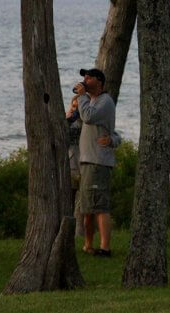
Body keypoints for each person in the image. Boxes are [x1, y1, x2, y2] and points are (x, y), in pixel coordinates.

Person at [73, 68, 121, 257]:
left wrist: (82, 97)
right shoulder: (91, 101)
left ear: (99, 81)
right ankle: (88, 245)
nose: (84, 79)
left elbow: (89, 117)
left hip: (98, 162)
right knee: (87, 208)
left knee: (99, 206)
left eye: (88, 77)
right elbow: (110, 131)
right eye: (84, 77)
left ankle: (105, 248)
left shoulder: (105, 102)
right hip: (87, 161)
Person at [66, 95, 83, 235]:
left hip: (83, 162)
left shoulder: (88, 121)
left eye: (78, 107)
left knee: (85, 199)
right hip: (71, 161)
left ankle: (82, 231)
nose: (75, 110)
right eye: (73, 106)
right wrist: (67, 119)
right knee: (69, 196)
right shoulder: (67, 121)